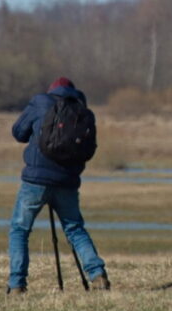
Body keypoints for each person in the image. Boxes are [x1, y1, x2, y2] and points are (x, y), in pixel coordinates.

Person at [7, 77, 109, 294]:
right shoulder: (83, 111)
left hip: (35, 180)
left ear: (52, 90)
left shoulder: (40, 102)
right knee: (75, 229)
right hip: (67, 182)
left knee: (20, 230)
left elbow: (18, 132)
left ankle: (16, 285)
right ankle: (97, 274)